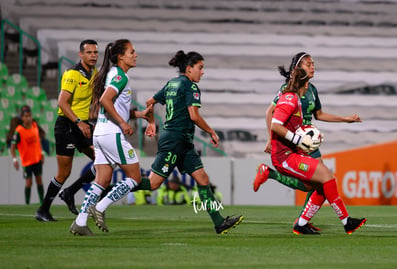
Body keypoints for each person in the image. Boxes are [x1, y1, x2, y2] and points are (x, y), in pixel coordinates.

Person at [91, 50, 244, 235]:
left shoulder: (172, 83)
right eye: (200, 68)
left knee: (202, 179)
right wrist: (211, 131)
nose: (202, 72)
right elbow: (194, 116)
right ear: (189, 69)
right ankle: (108, 192)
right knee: (153, 184)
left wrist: (153, 123)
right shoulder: (190, 87)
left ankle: (219, 222)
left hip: (183, 141)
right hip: (174, 140)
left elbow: (150, 101)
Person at [254, 52, 362, 232]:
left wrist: (345, 119)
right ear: (299, 68)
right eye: (309, 64)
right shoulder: (288, 91)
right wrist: (270, 140)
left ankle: (303, 221)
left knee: (318, 182)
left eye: (313, 64)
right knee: (320, 180)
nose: (313, 67)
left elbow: (319, 115)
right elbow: (270, 114)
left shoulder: (311, 89)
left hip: (307, 141)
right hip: (294, 141)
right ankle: (308, 220)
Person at [69, 39, 152, 236]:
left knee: (102, 179)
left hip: (100, 132)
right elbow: (105, 100)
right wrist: (123, 124)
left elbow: (114, 105)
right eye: (132, 52)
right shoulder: (120, 76)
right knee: (135, 177)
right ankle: (101, 206)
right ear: (120, 56)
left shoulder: (112, 74)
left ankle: (80, 222)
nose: (136, 55)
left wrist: (138, 115)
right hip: (111, 133)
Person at [35, 39, 99, 221]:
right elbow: (62, 102)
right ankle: (43, 209)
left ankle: (70, 192)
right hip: (67, 126)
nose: (93, 56)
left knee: (103, 161)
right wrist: (79, 121)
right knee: (64, 172)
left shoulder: (93, 74)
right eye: (89, 52)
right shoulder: (73, 74)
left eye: (95, 52)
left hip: (83, 125)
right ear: (81, 54)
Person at [10, 105, 44, 205]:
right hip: (26, 162)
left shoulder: (34, 125)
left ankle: (42, 203)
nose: (28, 118)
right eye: (26, 116)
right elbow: (13, 147)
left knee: (39, 181)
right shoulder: (19, 130)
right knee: (29, 182)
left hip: (37, 160)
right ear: (22, 117)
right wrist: (15, 160)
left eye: (29, 116)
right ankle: (27, 204)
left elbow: (38, 141)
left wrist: (41, 153)